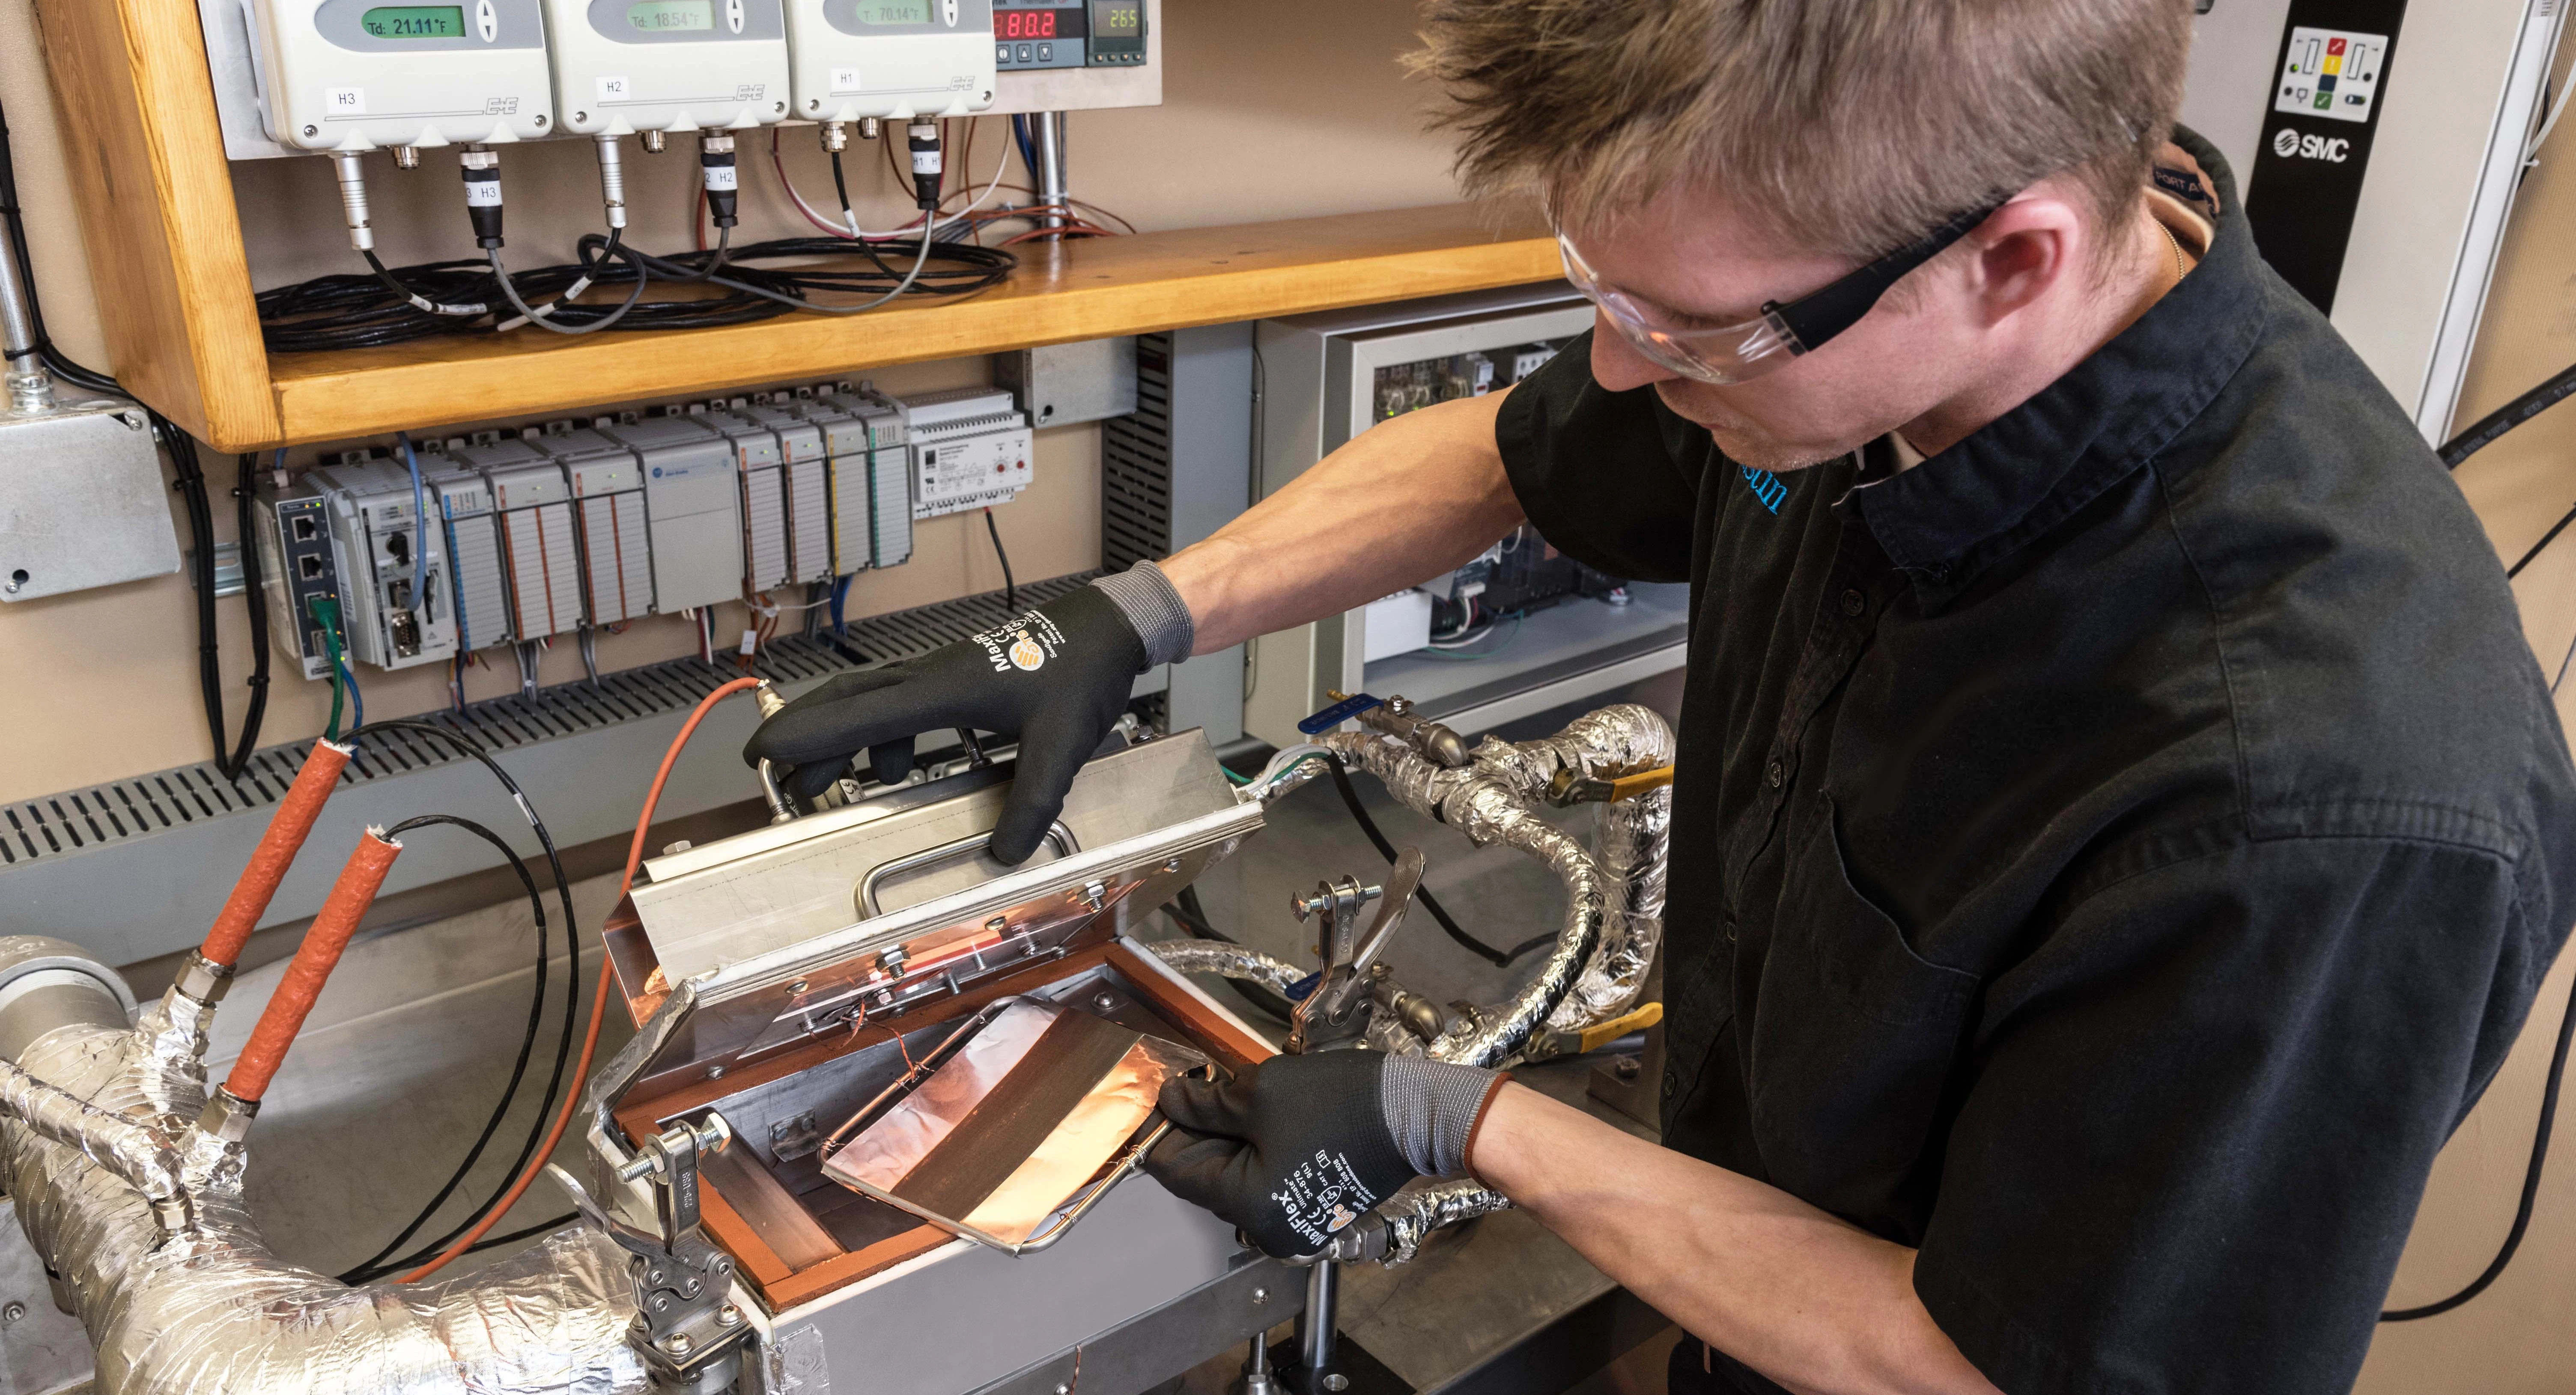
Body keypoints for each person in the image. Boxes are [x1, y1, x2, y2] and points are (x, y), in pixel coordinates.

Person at [745, 2, 2576, 1390]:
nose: (1623, 364)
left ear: (2010, 256)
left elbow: (1972, 1366)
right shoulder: (1862, 342)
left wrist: (1458, 1121)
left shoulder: (2310, 803)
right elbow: (1521, 454)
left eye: (1688, 334)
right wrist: (1131, 613)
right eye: (1597, 292)